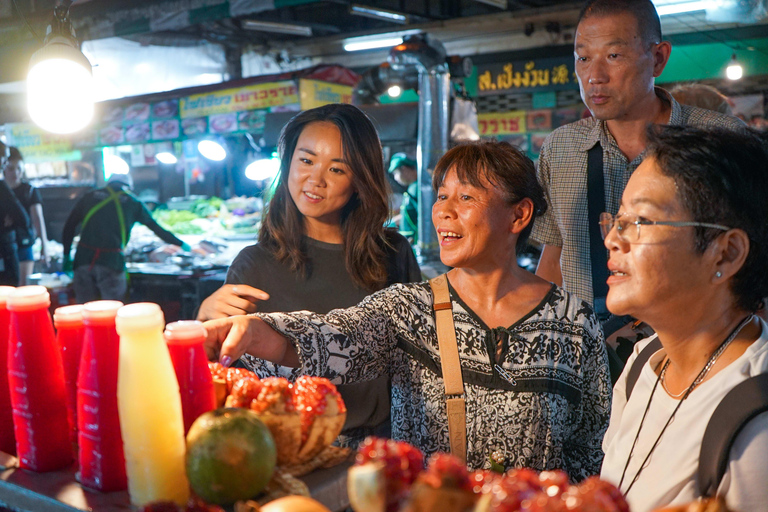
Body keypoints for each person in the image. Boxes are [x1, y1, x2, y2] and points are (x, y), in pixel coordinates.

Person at [202, 140, 611, 477]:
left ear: (519, 214)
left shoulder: (572, 321)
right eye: (443, 196)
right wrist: (255, 331)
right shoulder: (410, 309)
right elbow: (336, 338)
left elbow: (593, 446)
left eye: (466, 197)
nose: (444, 211)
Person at [197, 104, 421, 446]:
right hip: (291, 449)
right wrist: (205, 324)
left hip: (382, 447)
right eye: (306, 160)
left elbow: (415, 359)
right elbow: (227, 379)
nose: (316, 180)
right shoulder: (253, 264)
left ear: (360, 180)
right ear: (288, 163)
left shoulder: (392, 253)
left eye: (336, 169)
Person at [531, 0, 743, 316]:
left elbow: (753, 253)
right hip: (585, 349)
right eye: (583, 58)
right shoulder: (560, 149)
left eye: (614, 56)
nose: (594, 76)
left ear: (657, 58)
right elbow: (553, 259)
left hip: (690, 339)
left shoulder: (720, 139)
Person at [599, 126, 768, 511]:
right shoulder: (645, 360)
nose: (612, 239)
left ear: (725, 254)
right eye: (617, 219)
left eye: (640, 221)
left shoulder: (756, 421)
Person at [62, 172, 188, 303]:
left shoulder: (90, 197)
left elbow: (69, 226)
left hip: (82, 262)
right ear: (128, 186)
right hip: (111, 264)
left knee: (85, 311)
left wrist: (66, 256)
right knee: (113, 312)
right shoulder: (133, 202)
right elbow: (156, 228)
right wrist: (181, 244)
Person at [4, 147, 50, 285]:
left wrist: (44, 245)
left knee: (22, 286)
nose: (16, 173)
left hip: (23, 243)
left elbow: (38, 218)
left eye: (19, 168)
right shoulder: (2, 191)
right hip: (3, 245)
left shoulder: (29, 191)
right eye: (11, 168)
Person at [0, 142, 30, 286]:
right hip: (4, 250)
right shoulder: (2, 187)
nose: (4, 163)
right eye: (4, 159)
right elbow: (22, 217)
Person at [387, 152, 419, 242]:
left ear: (404, 169)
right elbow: (410, 213)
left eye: (396, 173)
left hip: (415, 239)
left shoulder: (415, 189)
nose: (396, 178)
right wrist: (390, 223)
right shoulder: (413, 188)